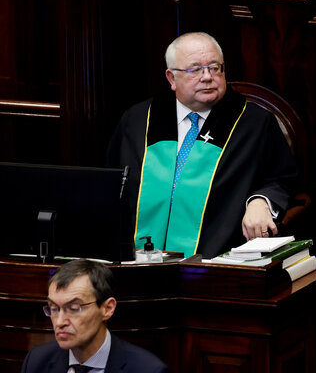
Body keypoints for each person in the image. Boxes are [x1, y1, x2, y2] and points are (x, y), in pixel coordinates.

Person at [108, 32, 298, 258]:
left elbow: (282, 179)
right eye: (195, 69)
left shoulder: (255, 123)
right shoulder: (139, 120)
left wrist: (261, 201)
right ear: (171, 78)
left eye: (215, 68)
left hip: (217, 259)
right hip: (136, 260)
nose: (207, 77)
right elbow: (111, 181)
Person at [21, 259, 168, 373]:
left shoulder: (148, 370)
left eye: (73, 308)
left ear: (107, 309)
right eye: (54, 309)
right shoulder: (36, 362)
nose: (59, 322)